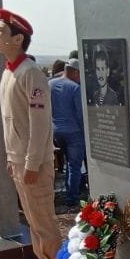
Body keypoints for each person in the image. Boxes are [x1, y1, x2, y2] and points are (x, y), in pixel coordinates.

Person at [0, 8, 60, 259]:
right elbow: (11, 122)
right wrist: (13, 158)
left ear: (18, 38)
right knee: (33, 220)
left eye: (1, 32)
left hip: (35, 163)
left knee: (44, 221)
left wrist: (32, 162)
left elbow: (39, 123)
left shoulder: (30, 73)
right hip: (19, 159)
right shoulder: (9, 73)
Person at [50, 58, 88, 209]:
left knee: (67, 164)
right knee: (74, 165)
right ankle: (72, 198)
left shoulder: (51, 84)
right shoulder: (75, 88)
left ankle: (68, 191)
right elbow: (79, 114)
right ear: (76, 72)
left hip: (56, 131)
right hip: (73, 131)